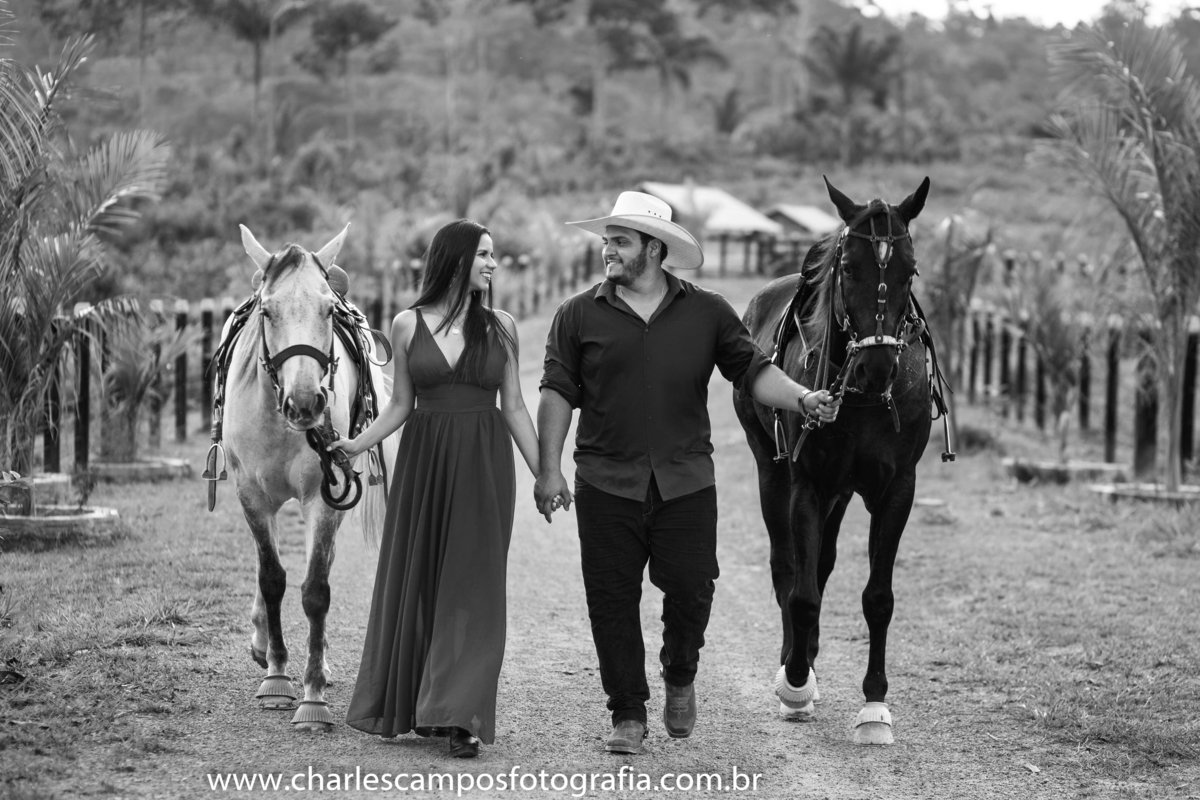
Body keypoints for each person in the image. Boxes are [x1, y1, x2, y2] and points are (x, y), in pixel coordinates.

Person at [535, 192, 839, 755]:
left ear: (654, 249)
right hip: (605, 480)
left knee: (693, 587)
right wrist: (547, 469)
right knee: (610, 599)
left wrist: (802, 398)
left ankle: (680, 672)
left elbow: (753, 372)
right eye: (607, 241)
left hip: (685, 480)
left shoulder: (708, 312)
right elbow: (556, 390)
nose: (608, 251)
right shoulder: (577, 314)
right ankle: (627, 711)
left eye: (620, 242)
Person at [331, 219, 540, 758]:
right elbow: (401, 405)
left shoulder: (502, 326)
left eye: (493, 255)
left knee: (474, 585)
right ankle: (428, 703)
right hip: (424, 463)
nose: (493, 264)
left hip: (484, 463)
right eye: (484, 254)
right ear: (456, 259)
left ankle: (460, 715)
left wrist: (547, 474)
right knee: (421, 577)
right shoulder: (406, 324)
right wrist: (356, 445)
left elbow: (515, 406)